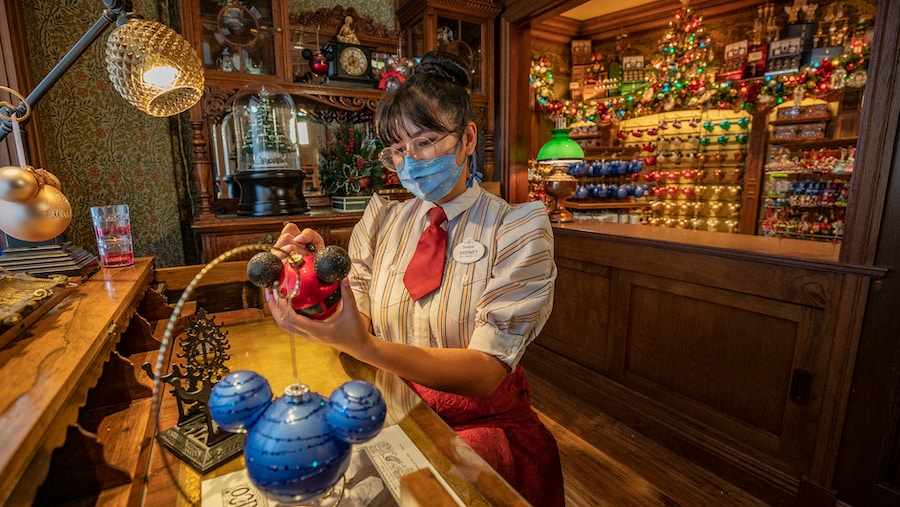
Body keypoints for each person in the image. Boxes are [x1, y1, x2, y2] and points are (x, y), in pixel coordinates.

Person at [266, 51, 564, 507]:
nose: (410, 161)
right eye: (398, 149)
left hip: (480, 429)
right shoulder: (384, 219)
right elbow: (354, 319)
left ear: (467, 138)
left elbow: (485, 373)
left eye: (425, 141)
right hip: (389, 408)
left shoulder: (516, 229)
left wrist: (366, 348)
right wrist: (310, 284)